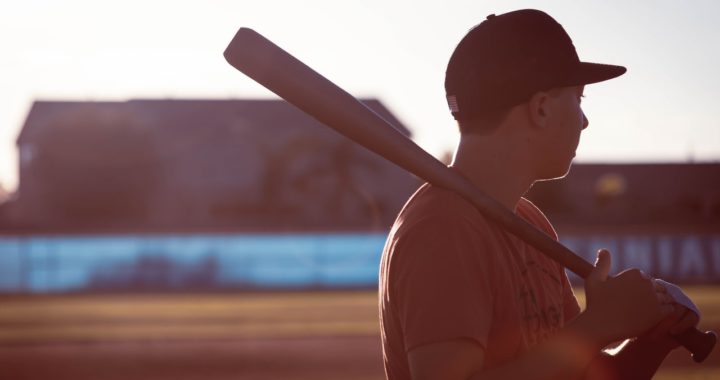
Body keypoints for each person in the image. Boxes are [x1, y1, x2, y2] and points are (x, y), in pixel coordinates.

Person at [378, 9, 698, 380]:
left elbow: (582, 374)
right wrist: (596, 327)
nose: (585, 119)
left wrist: (652, 339)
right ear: (541, 108)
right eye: (578, 98)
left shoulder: (530, 223)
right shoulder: (443, 229)